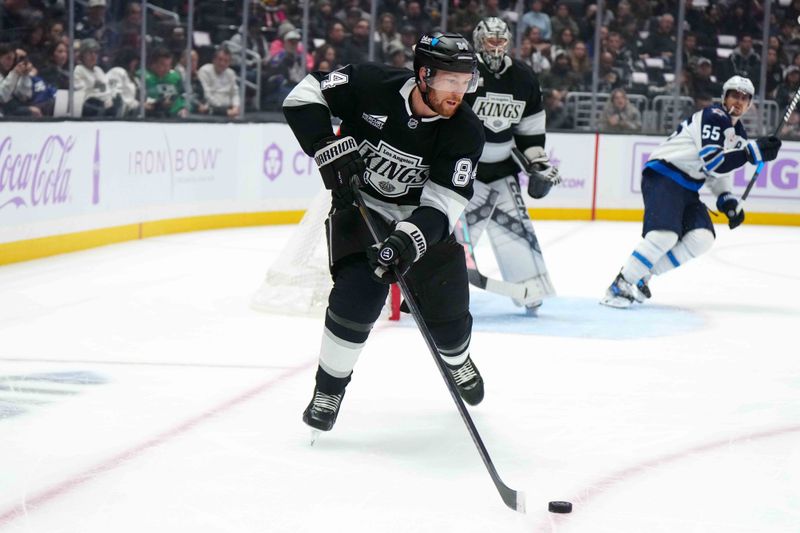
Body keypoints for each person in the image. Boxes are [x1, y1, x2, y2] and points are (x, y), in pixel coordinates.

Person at [282, 32, 486, 433]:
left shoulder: (465, 131)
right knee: (355, 299)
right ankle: (329, 391)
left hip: (420, 223)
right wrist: (325, 143)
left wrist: (406, 239)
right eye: (449, 81)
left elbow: (443, 204)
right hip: (362, 209)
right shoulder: (371, 83)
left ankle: (457, 360)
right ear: (423, 75)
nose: (458, 93)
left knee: (447, 316)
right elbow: (304, 93)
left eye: (465, 83)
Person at [600, 76, 782, 308]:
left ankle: (643, 273)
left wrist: (726, 201)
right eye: (734, 95)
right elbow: (714, 161)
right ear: (724, 97)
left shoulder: (738, 135)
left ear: (749, 104)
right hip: (665, 174)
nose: (738, 101)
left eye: (744, 97)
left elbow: (718, 173)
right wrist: (751, 153)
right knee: (665, 235)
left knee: (701, 239)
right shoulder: (714, 117)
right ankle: (620, 284)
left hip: (688, 186)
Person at [461, 17, 561, 314]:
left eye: (501, 40)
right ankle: (427, 291)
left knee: (516, 227)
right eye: (491, 40)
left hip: (503, 168)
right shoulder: (463, 73)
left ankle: (530, 287)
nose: (496, 46)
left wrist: (538, 163)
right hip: (465, 172)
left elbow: (529, 131)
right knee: (454, 239)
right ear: (479, 41)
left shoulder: (524, 77)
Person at [198, 47, 239, 117]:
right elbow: (206, 95)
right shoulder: (204, 71)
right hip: (212, 110)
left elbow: (235, 93)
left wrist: (236, 107)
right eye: (220, 59)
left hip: (230, 110)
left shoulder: (231, 73)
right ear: (214, 60)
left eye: (226, 61)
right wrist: (223, 111)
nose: (222, 63)